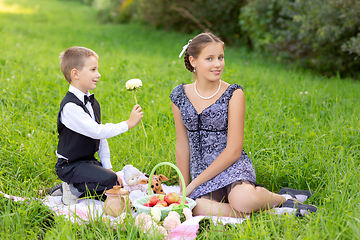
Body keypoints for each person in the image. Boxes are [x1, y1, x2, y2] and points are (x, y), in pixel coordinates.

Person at [170, 33, 316, 217]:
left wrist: (194, 184)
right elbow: (182, 145)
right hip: (200, 171)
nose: (218, 64)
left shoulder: (233, 93)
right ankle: (266, 213)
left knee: (243, 200)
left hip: (231, 166)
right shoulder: (179, 96)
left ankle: (282, 199)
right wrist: (184, 189)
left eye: (220, 58)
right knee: (194, 208)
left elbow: (234, 151)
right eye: (210, 59)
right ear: (193, 61)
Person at [53, 46, 143, 205]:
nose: (98, 74)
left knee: (113, 182)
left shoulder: (92, 103)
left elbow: (101, 140)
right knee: (110, 180)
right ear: (75, 74)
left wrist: (107, 167)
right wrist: (128, 124)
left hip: (87, 161)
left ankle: (74, 187)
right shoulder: (70, 107)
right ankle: (73, 188)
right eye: (93, 69)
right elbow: (97, 132)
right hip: (69, 166)